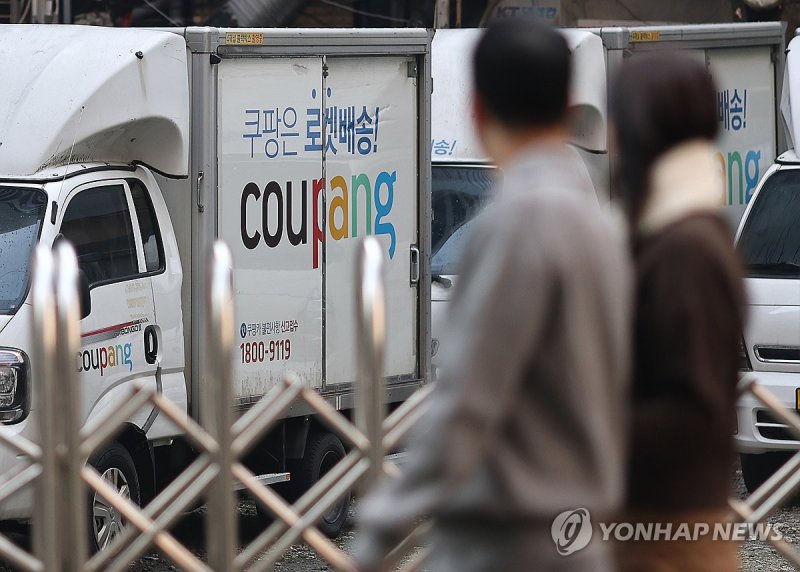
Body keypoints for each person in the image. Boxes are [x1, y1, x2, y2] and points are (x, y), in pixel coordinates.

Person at [353, 18, 630, 572]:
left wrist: (382, 527)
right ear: (567, 107)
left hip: (510, 541)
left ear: (477, 110)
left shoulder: (517, 222)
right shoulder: (602, 225)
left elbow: (467, 401)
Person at [610, 53, 746, 571]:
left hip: (670, 537)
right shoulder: (677, 231)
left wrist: (583, 415)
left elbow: (693, 413)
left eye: (619, 120)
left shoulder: (687, 247)